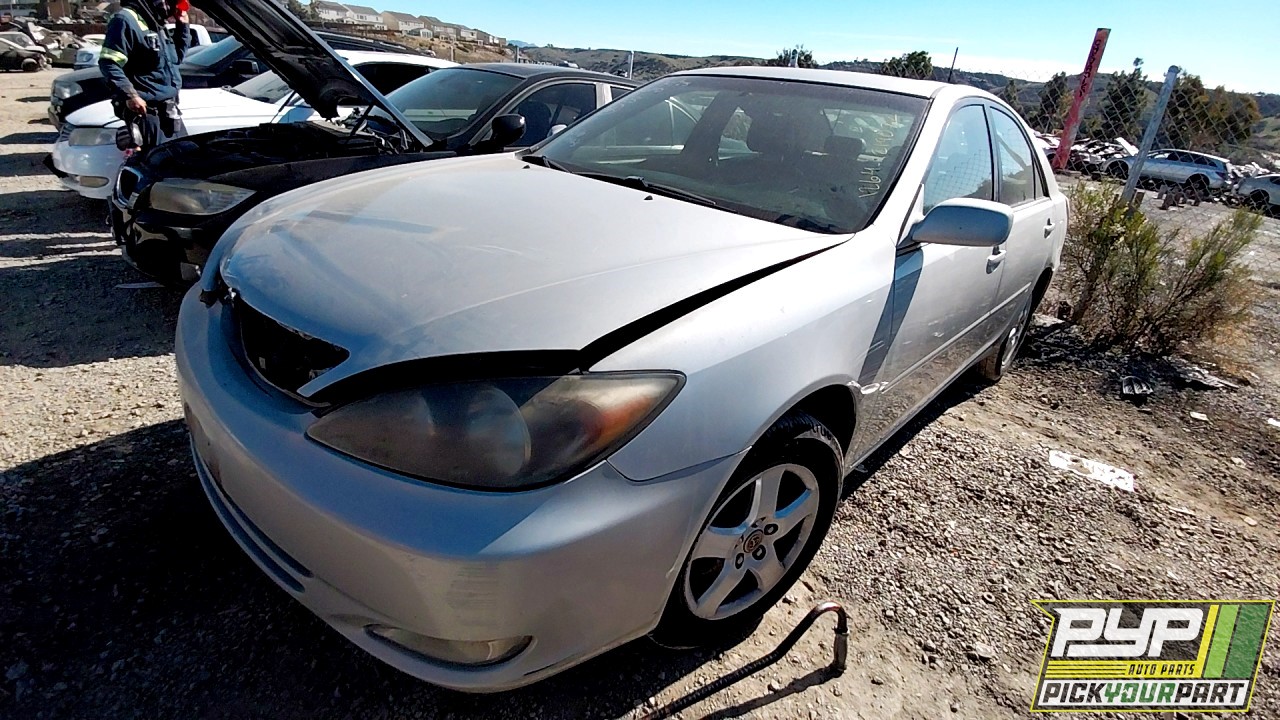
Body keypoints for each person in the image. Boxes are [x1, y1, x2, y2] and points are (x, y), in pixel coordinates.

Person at [98, 0, 191, 152]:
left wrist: (183, 26)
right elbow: (109, 62)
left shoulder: (155, 24)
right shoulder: (124, 20)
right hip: (147, 115)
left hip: (169, 113)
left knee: (178, 164)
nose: (173, 7)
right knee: (154, 166)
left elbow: (176, 59)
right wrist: (130, 95)